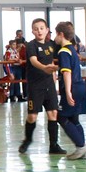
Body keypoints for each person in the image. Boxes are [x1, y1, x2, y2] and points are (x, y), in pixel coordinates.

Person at [20, 18, 66, 155]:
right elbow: (33, 61)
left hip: (49, 85)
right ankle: (27, 140)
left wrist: (74, 54)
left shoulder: (52, 45)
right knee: (32, 116)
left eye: (41, 28)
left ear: (47, 30)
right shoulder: (31, 45)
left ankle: (54, 145)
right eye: (36, 29)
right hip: (35, 86)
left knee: (53, 114)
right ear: (32, 31)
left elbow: (64, 49)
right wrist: (44, 68)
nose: (39, 31)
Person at [54, 21, 86, 160]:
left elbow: (67, 72)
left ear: (61, 34)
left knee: (61, 117)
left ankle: (81, 146)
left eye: (56, 34)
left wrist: (67, 91)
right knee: (74, 118)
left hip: (73, 87)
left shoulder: (63, 51)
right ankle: (82, 148)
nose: (55, 38)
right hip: (80, 86)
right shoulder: (73, 49)